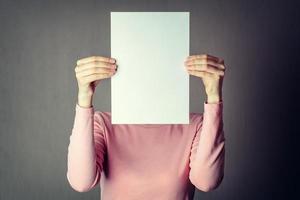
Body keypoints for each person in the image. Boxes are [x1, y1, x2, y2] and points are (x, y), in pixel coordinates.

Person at [66, 54, 226, 200]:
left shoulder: (195, 125)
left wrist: (214, 96)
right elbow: (81, 182)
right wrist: (84, 97)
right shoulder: (103, 124)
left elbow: (207, 181)